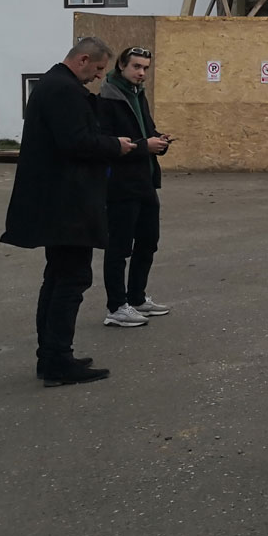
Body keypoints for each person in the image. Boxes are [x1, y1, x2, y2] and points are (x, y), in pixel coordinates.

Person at [2, 37, 134, 386]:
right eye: (98, 69)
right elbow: (77, 141)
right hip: (67, 205)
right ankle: (58, 360)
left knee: (57, 277)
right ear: (83, 60)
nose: (98, 77)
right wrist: (115, 145)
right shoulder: (63, 89)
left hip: (55, 202)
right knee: (71, 279)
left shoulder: (52, 84)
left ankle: (51, 356)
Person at [97, 46, 173, 327]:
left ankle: (137, 297)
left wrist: (159, 142)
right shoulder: (107, 98)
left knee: (148, 242)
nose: (141, 73)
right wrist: (145, 146)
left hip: (145, 181)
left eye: (145, 68)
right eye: (136, 67)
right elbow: (106, 143)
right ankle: (116, 307)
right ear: (121, 66)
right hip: (120, 185)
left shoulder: (138, 95)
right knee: (119, 247)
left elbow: (146, 132)